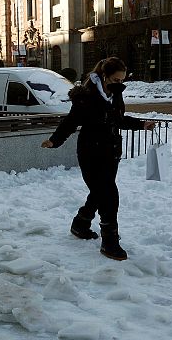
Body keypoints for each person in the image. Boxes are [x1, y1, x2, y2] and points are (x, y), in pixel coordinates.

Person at [41, 57, 155, 261]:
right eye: (115, 79)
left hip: (111, 152)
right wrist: (54, 140)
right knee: (109, 195)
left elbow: (118, 120)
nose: (119, 84)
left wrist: (141, 124)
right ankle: (109, 241)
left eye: (122, 80)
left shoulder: (116, 94)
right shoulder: (86, 96)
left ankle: (81, 223)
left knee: (100, 191)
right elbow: (71, 121)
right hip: (90, 152)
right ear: (104, 76)